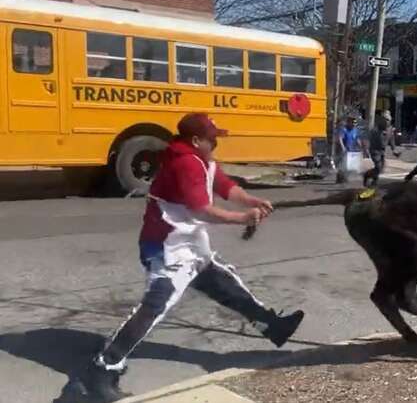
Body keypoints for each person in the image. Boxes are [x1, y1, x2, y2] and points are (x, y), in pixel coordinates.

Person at [82, 113, 305, 402]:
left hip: (188, 244)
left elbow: (224, 185)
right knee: (155, 306)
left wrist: (252, 201)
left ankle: (272, 326)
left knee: (226, 283)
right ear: (196, 140)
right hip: (167, 246)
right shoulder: (185, 162)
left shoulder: (200, 159)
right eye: (212, 139)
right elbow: (200, 209)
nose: (216, 143)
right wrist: (242, 218)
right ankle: (103, 368)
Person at [363, 110, 401, 187]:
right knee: (378, 166)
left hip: (382, 151)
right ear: (381, 120)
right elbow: (368, 139)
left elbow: (391, 140)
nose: (386, 121)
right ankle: (369, 178)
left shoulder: (390, 129)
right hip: (375, 150)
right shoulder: (376, 129)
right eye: (385, 119)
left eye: (388, 120)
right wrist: (366, 149)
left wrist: (394, 150)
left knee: (381, 169)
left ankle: (371, 179)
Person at [336, 116, 365, 183]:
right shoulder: (344, 129)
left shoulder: (355, 130)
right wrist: (343, 147)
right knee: (343, 164)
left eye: (354, 123)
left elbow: (357, 139)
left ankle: (345, 177)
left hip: (351, 150)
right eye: (352, 123)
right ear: (348, 122)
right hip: (344, 150)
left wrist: (361, 146)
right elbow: (340, 138)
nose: (353, 125)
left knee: (349, 165)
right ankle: (339, 178)